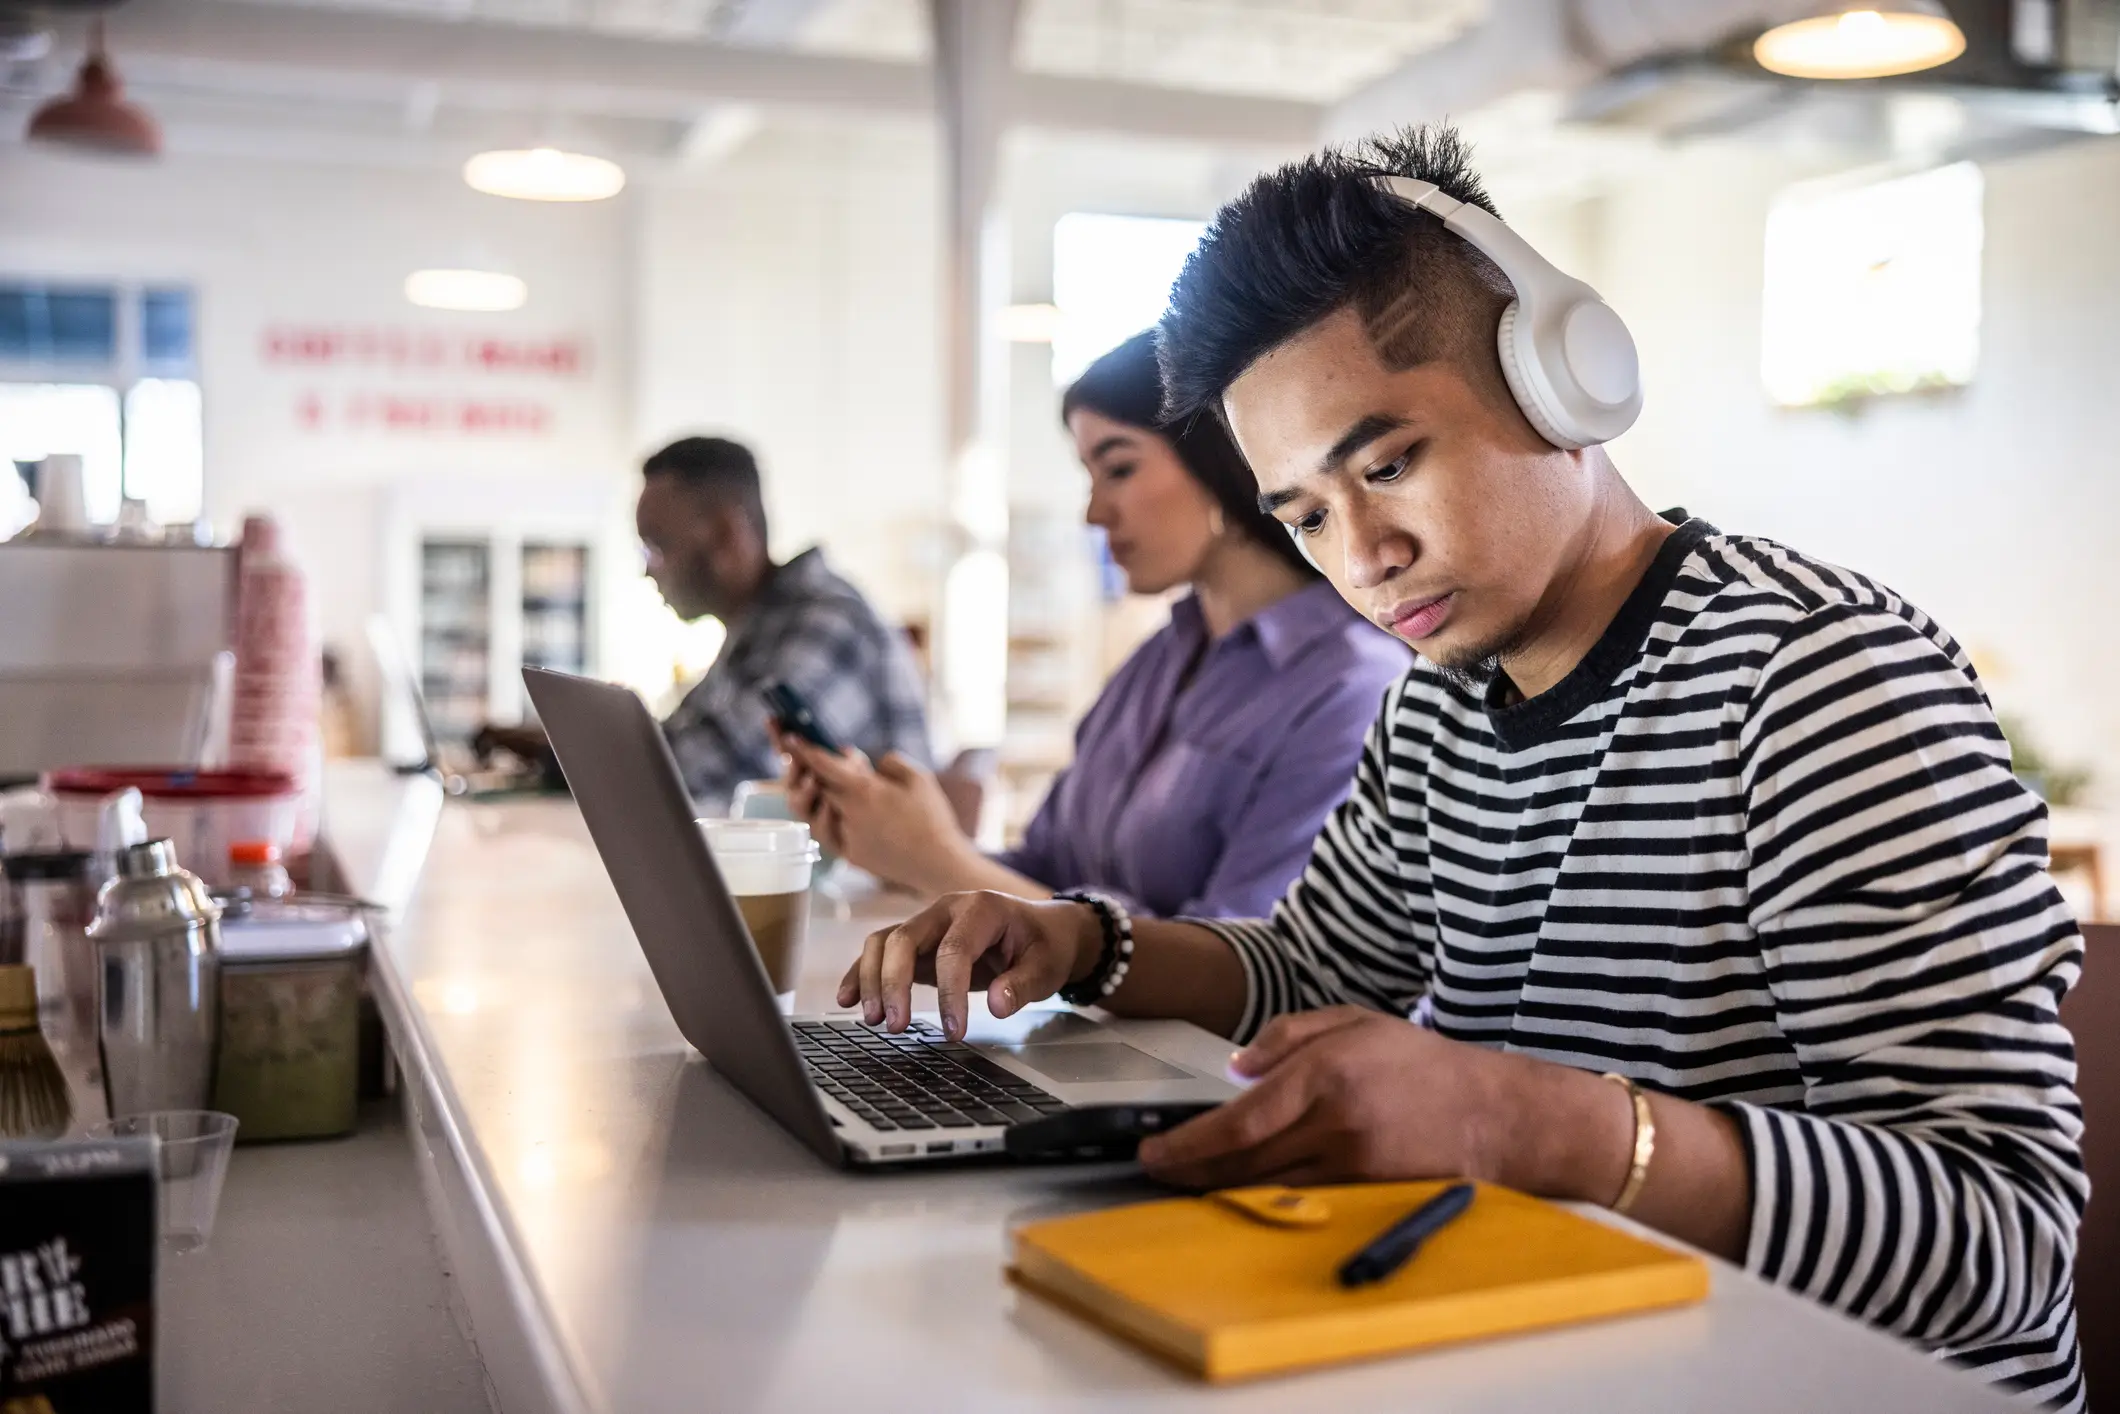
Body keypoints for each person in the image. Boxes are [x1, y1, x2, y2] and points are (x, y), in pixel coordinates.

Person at [841, 128, 2085, 1409]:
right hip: (1557, 1351)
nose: (1363, 555)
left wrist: (1532, 1125)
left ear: (1561, 382)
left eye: (1387, 464)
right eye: (1307, 515)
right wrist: (1080, 946)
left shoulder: (1818, 680)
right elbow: (1313, 969)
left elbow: (2000, 1235)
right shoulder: (1441, 703)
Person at [778, 331, 1407, 916]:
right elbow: (1045, 872)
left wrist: (940, 861)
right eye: (1089, 476)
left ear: (1220, 458)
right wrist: (894, 845)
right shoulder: (1157, 662)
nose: (1093, 513)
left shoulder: (1351, 689)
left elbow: (1245, 968)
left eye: (1119, 468)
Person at [478, 435, 932, 810]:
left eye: (656, 547)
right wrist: (545, 743)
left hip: (881, 907)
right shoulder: (757, 628)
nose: (648, 570)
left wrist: (551, 755)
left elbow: (699, 770)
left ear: (726, 536)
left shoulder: (826, 622)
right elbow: (675, 744)